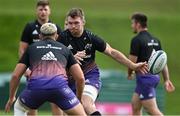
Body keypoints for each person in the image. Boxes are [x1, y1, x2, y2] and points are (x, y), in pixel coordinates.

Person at [57, 8, 148, 115]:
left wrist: (133, 65)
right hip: (70, 79)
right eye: (70, 23)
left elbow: (112, 52)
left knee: (86, 103)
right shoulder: (62, 38)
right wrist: (70, 59)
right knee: (70, 112)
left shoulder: (91, 38)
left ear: (83, 22)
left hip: (89, 76)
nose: (73, 26)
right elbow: (54, 60)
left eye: (76, 23)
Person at [5, 23, 86, 116]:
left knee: (19, 107)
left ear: (40, 36)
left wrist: (11, 98)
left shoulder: (31, 48)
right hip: (60, 89)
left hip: (36, 88)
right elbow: (80, 78)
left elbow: (16, 76)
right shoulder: (65, 49)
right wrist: (78, 99)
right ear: (56, 35)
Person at [18, 0, 62, 115]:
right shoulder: (29, 27)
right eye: (40, 9)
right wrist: (25, 68)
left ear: (49, 11)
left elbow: (62, 49)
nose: (43, 12)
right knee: (31, 105)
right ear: (36, 11)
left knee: (57, 103)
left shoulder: (56, 28)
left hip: (53, 72)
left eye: (45, 9)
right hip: (34, 71)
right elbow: (22, 49)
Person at [127, 12, 175, 115]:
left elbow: (132, 62)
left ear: (138, 24)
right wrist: (166, 79)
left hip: (145, 79)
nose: (132, 26)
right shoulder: (156, 40)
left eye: (132, 23)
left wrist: (129, 73)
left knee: (151, 109)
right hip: (151, 78)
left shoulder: (136, 40)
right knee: (135, 106)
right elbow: (163, 62)